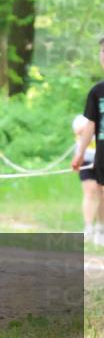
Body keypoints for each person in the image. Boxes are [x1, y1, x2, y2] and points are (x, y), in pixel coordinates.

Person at [72, 36, 104, 246]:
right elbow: (90, 125)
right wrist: (80, 153)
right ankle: (99, 229)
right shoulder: (97, 91)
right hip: (102, 150)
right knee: (100, 190)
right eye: (102, 52)